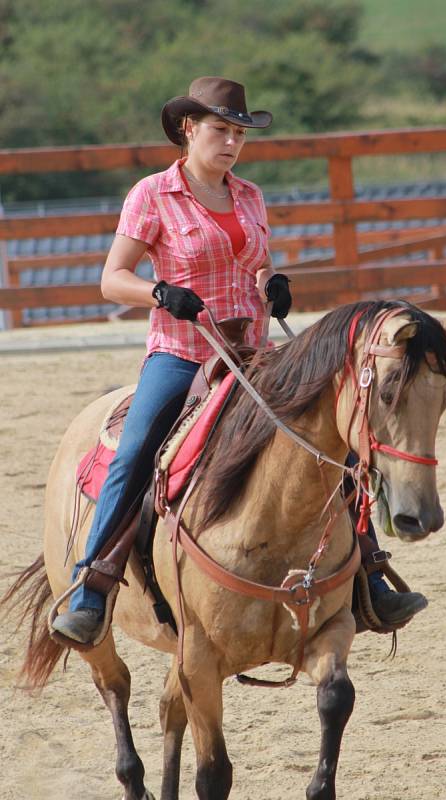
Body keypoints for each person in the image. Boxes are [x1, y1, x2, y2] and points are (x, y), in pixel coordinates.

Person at [52, 76, 425, 646]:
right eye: (219, 130)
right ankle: (91, 589)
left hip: (255, 354)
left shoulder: (249, 195)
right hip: (183, 353)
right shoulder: (151, 194)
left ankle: (369, 577)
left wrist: (271, 283)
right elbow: (111, 280)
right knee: (134, 453)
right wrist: (158, 293)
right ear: (188, 129)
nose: (230, 143)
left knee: (338, 441)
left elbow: (256, 262)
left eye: (238, 133)